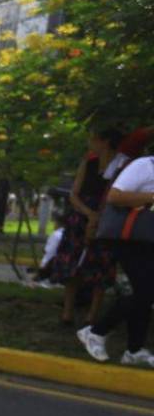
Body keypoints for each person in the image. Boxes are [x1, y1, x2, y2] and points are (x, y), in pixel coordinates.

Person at [77, 152, 154, 368]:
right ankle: (95, 332)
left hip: (149, 240)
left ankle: (134, 350)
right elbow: (114, 196)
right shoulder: (145, 166)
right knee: (145, 292)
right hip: (132, 239)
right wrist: (151, 197)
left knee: (146, 294)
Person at [50, 128, 121, 326]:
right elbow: (74, 194)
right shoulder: (88, 163)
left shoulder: (121, 165)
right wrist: (88, 214)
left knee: (101, 265)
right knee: (73, 263)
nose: (90, 143)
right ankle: (67, 312)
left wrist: (99, 218)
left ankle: (92, 316)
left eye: (93, 139)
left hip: (107, 219)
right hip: (81, 217)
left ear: (105, 141)